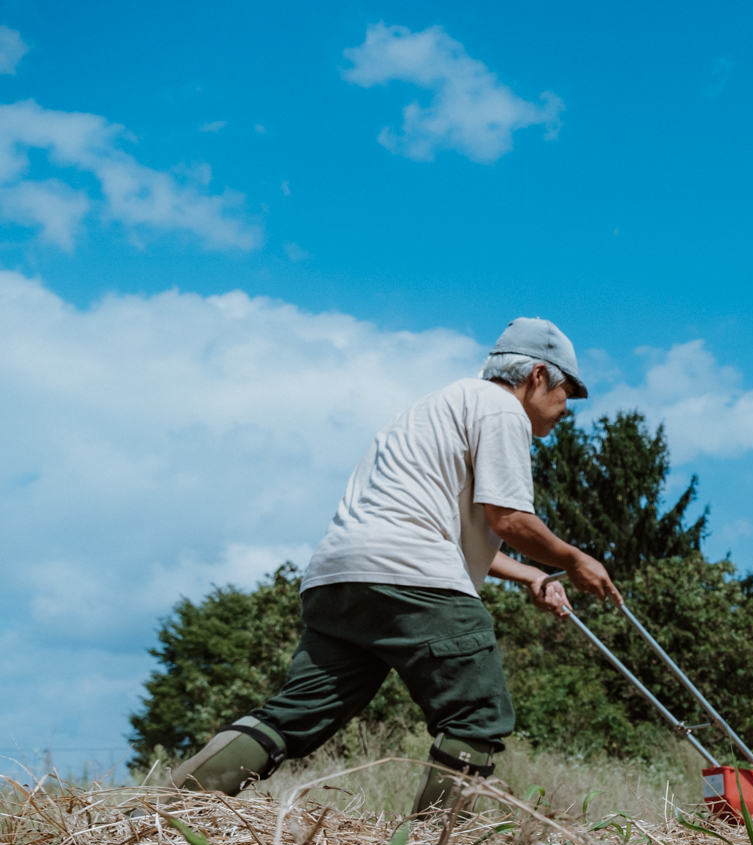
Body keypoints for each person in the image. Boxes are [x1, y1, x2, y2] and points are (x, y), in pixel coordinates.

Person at [168, 317, 621, 814]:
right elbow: (509, 519)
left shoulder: (430, 409)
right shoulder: (500, 409)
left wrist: (533, 573)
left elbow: (444, 530)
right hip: (411, 574)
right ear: (537, 375)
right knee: (477, 715)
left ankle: (156, 817)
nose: (566, 408)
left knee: (294, 715)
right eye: (567, 391)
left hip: (340, 578)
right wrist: (574, 558)